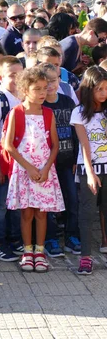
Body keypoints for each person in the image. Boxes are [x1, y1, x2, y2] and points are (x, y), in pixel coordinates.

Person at [3, 67, 63, 273]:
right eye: (37, 89)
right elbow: (8, 144)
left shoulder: (48, 113)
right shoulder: (16, 113)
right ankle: (27, 252)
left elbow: (54, 145)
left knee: (42, 213)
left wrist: (46, 168)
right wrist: (28, 167)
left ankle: (40, 251)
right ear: (24, 89)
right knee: (27, 213)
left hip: (44, 170)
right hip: (24, 170)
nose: (42, 93)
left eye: (45, 89)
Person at [37, 63, 80, 258]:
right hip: (47, 164)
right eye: (45, 82)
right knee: (49, 204)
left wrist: (76, 159)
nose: (50, 86)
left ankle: (72, 237)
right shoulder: (39, 106)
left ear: (59, 80)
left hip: (67, 161)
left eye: (53, 81)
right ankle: (50, 239)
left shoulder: (68, 102)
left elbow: (77, 132)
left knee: (72, 200)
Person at [0, 56, 24, 261]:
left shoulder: (24, 97)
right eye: (11, 75)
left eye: (20, 74)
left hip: (19, 163)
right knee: (0, 205)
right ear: (0, 77)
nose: (17, 78)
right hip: (2, 163)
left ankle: (15, 238)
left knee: (16, 203)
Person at [71, 66, 107, 275]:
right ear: (89, 89)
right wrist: (91, 173)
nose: (103, 93)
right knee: (87, 213)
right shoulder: (80, 113)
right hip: (89, 170)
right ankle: (86, 257)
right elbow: (85, 145)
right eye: (99, 89)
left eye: (106, 88)